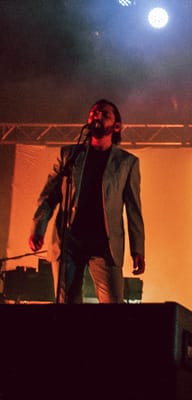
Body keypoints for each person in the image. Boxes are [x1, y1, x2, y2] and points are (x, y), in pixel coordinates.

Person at [28, 98, 145, 303]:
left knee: (113, 306)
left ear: (116, 126)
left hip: (105, 245)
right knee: (67, 305)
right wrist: (38, 228)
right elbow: (49, 196)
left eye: (104, 114)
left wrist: (138, 249)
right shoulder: (69, 155)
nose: (97, 115)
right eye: (93, 113)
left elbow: (133, 208)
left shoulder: (127, 162)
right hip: (69, 241)